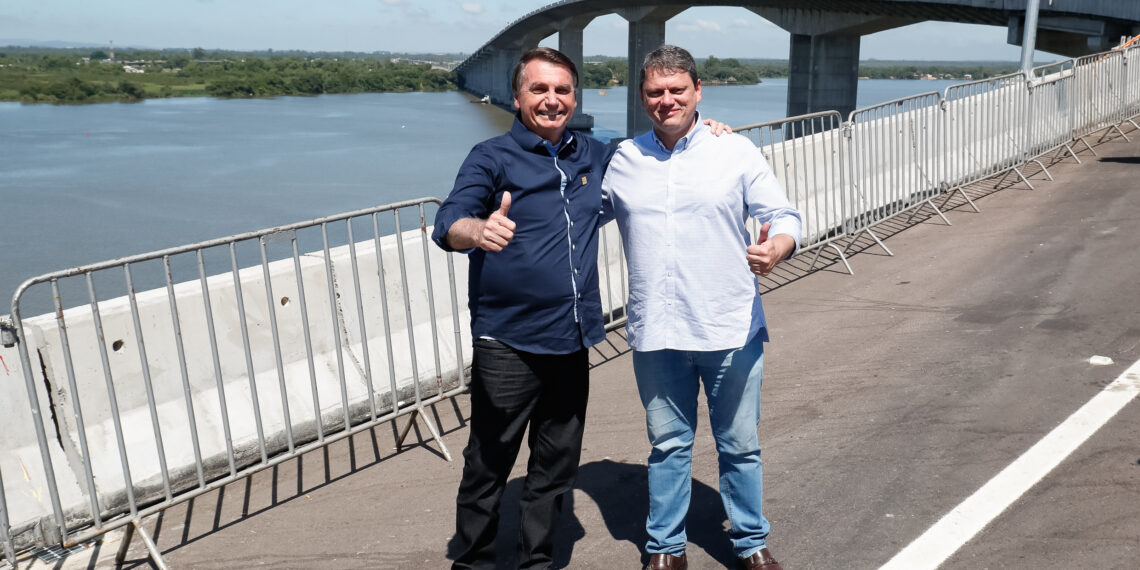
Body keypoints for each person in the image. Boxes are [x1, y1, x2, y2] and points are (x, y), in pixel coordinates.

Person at [600, 45, 802, 570]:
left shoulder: (733, 150)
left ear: (697, 93)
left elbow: (782, 215)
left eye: (676, 90)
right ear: (642, 97)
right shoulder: (622, 159)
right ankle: (666, 549)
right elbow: (568, 208)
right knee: (668, 447)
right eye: (654, 92)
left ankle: (752, 543)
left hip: (730, 326)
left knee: (740, 445)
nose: (666, 100)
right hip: (657, 331)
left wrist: (777, 246)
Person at [432, 46, 611, 570]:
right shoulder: (491, 157)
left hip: (570, 338)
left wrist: (705, 129)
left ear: (574, 97)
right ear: (516, 96)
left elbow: (657, 151)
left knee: (555, 465)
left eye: (562, 90)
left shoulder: (594, 154)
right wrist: (479, 231)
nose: (552, 100)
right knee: (488, 461)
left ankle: (535, 560)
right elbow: (449, 221)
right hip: (507, 341)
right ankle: (473, 560)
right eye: (539, 89)